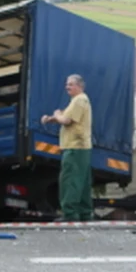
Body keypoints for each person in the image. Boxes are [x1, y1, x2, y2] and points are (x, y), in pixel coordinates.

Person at [41, 74, 93, 222]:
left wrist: (56, 115)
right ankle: (84, 213)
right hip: (83, 148)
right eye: (67, 84)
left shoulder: (79, 100)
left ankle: (70, 214)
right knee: (82, 182)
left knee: (70, 180)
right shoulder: (78, 101)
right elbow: (65, 117)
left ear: (79, 86)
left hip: (74, 147)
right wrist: (52, 118)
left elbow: (66, 120)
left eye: (70, 84)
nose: (67, 87)